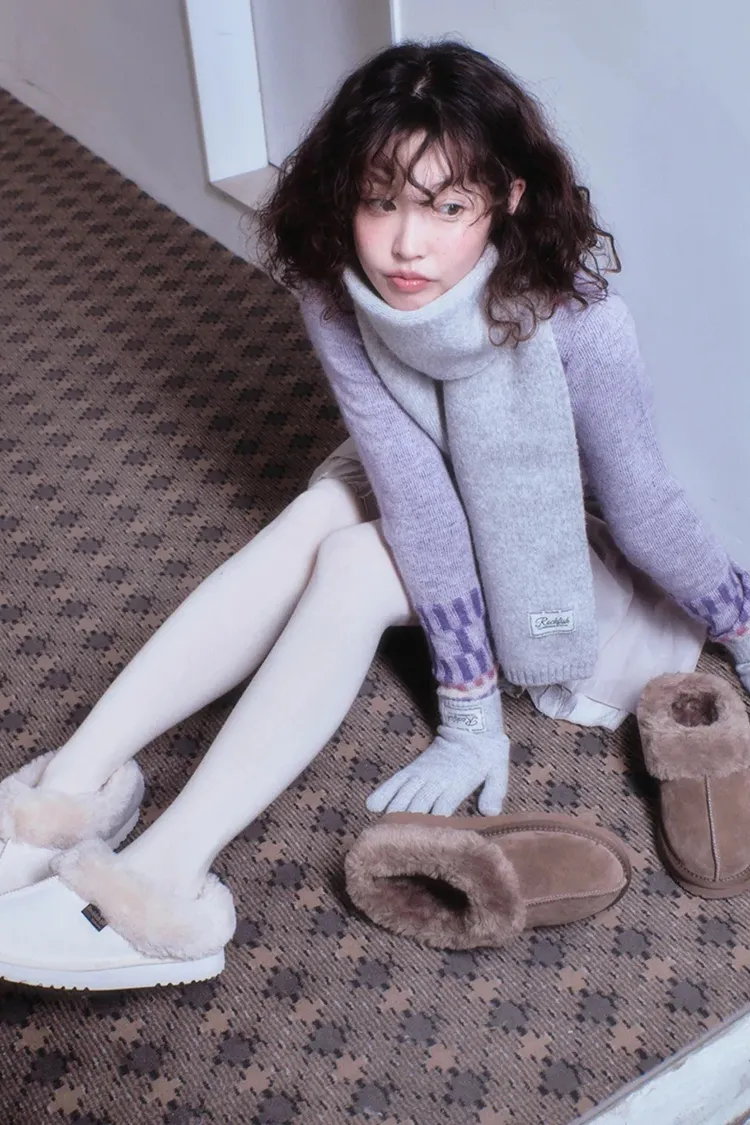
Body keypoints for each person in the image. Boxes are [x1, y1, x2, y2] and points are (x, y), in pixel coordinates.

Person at [0, 40, 747, 990]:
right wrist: (467, 708)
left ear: (508, 199)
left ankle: (162, 878)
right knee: (323, 513)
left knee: (353, 563)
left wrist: (739, 624)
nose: (405, 245)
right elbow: (411, 490)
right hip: (428, 492)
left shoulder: (583, 326)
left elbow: (643, 508)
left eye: (446, 207)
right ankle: (69, 793)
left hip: (554, 549)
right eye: (379, 201)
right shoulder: (338, 292)